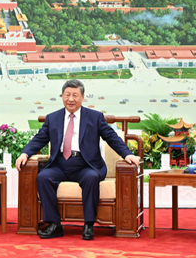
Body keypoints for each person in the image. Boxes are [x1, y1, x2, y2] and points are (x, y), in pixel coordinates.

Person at [16, 80, 140, 240]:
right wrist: (25, 154)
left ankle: (88, 225)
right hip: (60, 165)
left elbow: (111, 137)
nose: (71, 99)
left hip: (86, 165)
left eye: (75, 95)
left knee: (91, 178)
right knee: (43, 177)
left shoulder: (95, 117)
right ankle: (54, 224)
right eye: (67, 95)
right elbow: (39, 139)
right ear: (62, 96)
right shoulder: (53, 118)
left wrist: (127, 154)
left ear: (82, 97)